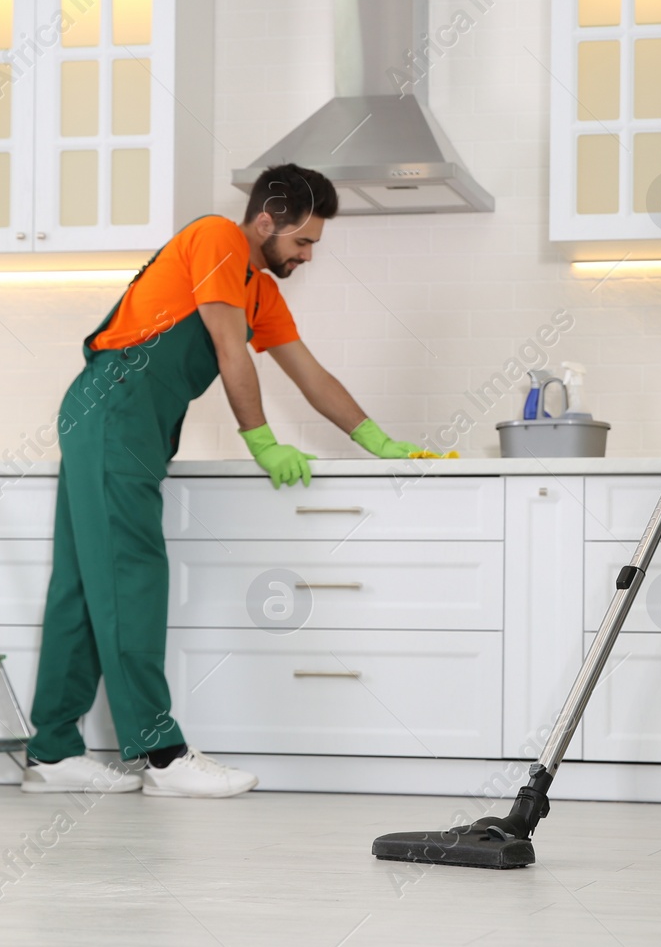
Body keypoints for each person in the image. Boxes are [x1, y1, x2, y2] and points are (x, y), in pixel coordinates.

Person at [21, 163, 421, 798]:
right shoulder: (217, 239)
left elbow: (309, 374)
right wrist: (260, 439)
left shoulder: (259, 289)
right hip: (116, 407)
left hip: (126, 422)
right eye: (303, 240)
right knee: (132, 575)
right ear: (266, 221)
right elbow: (230, 350)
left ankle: (51, 753)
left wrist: (379, 441)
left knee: (83, 585)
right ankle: (160, 755)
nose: (309, 254)